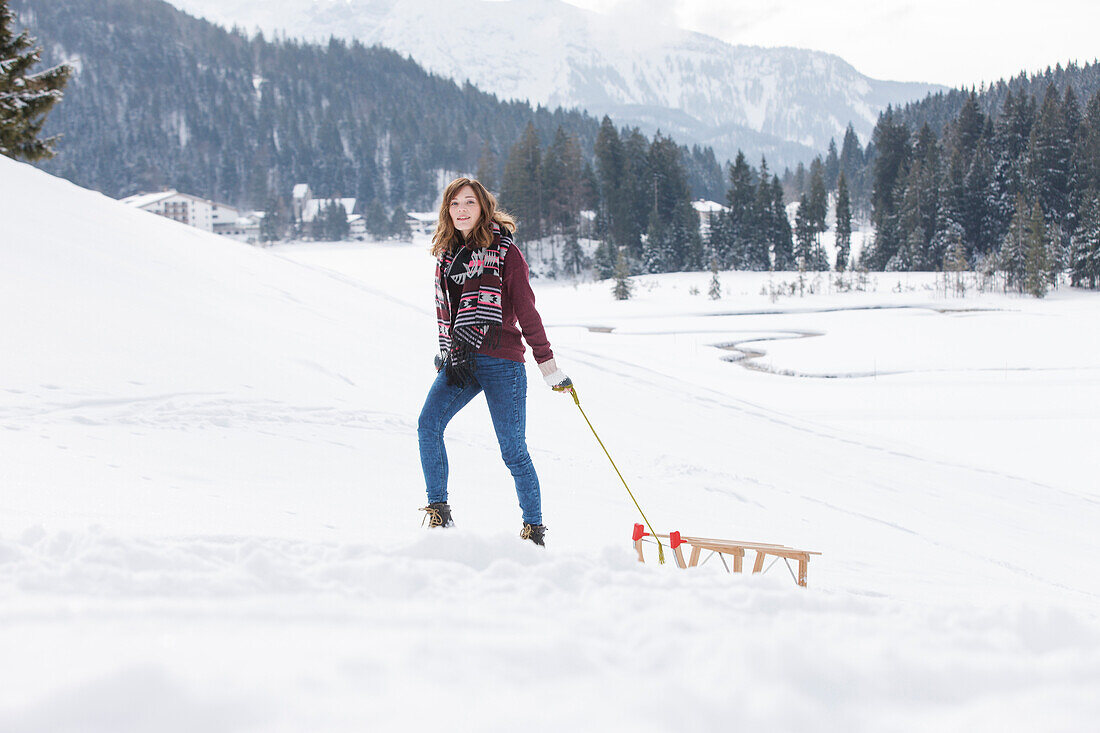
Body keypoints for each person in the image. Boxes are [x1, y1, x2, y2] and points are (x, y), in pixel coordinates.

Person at [417, 177, 571, 546]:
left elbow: (526, 310)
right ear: (446, 210)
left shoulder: (506, 253)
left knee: (513, 450)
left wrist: (548, 365)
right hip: (461, 361)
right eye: (454, 204)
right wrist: (446, 352)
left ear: (483, 207)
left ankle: (533, 530)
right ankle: (439, 516)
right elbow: (451, 315)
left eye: (469, 202)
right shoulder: (446, 257)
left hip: (502, 361)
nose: (461, 210)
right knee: (428, 425)